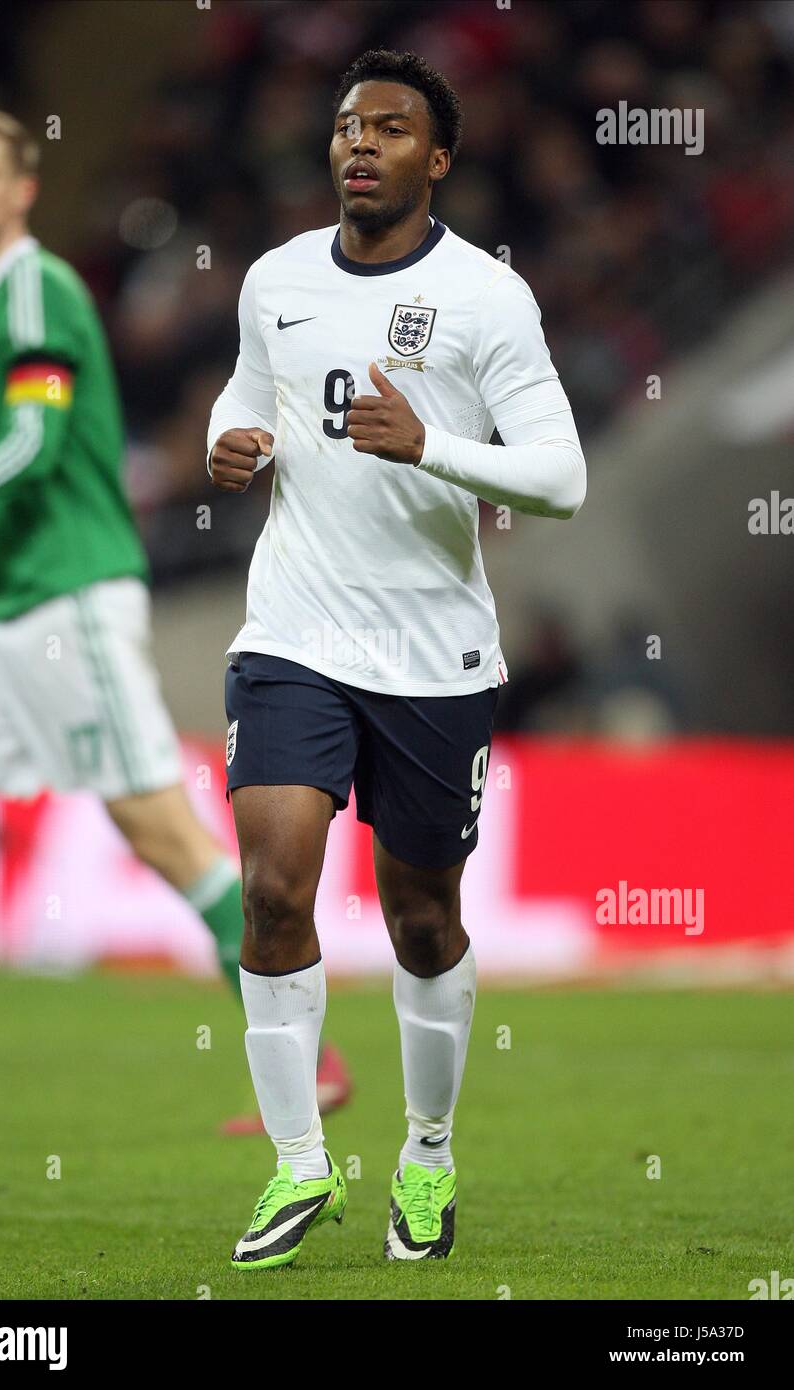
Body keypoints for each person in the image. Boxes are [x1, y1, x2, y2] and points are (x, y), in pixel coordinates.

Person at [207, 49, 586, 1268]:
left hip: (431, 656)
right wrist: (232, 440)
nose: (358, 142)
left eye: (389, 127)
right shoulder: (274, 278)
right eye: (344, 125)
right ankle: (295, 1164)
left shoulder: (486, 299)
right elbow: (241, 391)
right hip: (292, 634)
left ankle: (426, 1154)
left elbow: (561, 478)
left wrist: (432, 447)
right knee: (271, 889)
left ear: (439, 157)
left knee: (422, 920)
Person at [0, 102, 352, 1131]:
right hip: (4, 611)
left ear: (23, 189)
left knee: (161, 833)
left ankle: (309, 1057)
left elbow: (33, 439)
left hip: (70, 602)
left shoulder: (36, 292)